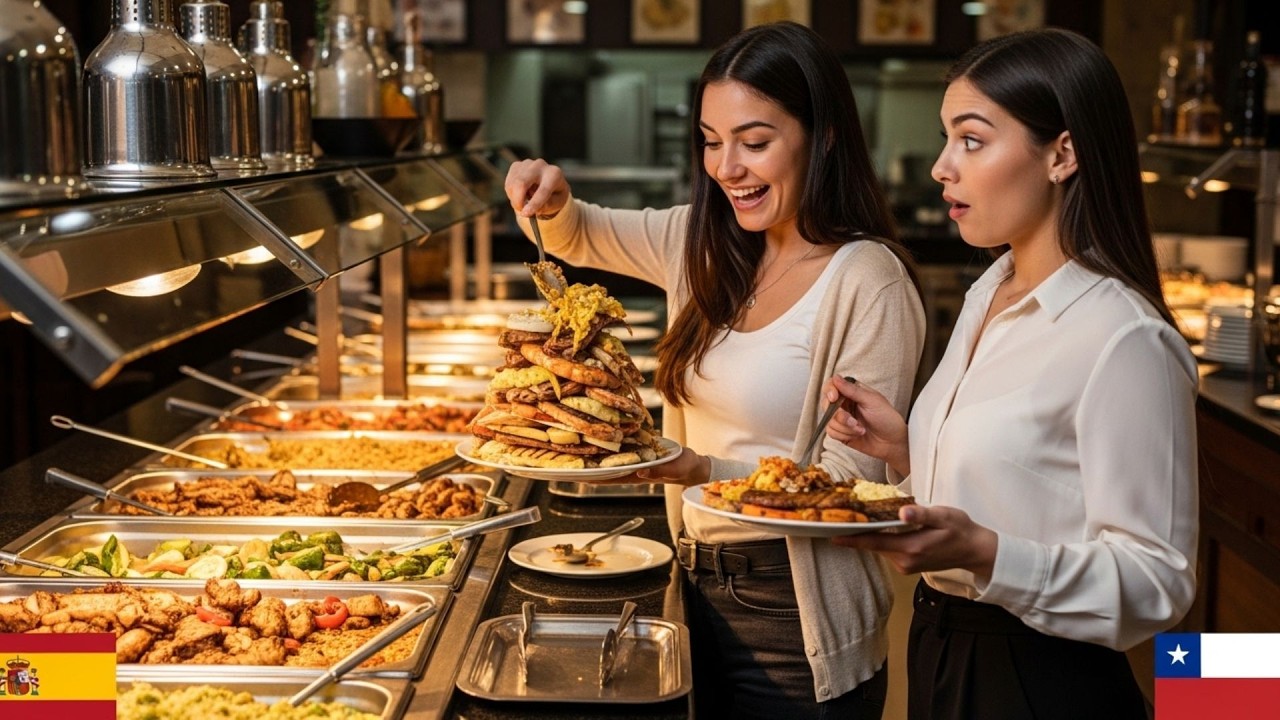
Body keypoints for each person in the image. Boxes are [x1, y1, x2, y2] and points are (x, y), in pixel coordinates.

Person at [504, 21, 925, 719]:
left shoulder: (869, 282)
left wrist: (705, 473)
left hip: (795, 616)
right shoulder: (698, 243)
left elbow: (857, 490)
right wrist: (545, 192)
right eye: (710, 140)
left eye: (754, 142)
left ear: (821, 136)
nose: (727, 166)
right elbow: (575, 229)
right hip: (690, 579)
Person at [823, 29, 1199, 720]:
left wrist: (988, 553)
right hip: (940, 643)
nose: (942, 167)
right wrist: (911, 450)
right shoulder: (989, 289)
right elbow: (1034, 481)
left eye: (971, 139)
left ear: (1062, 153)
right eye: (947, 139)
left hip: (1041, 676)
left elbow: (1158, 583)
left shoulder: (1125, 338)